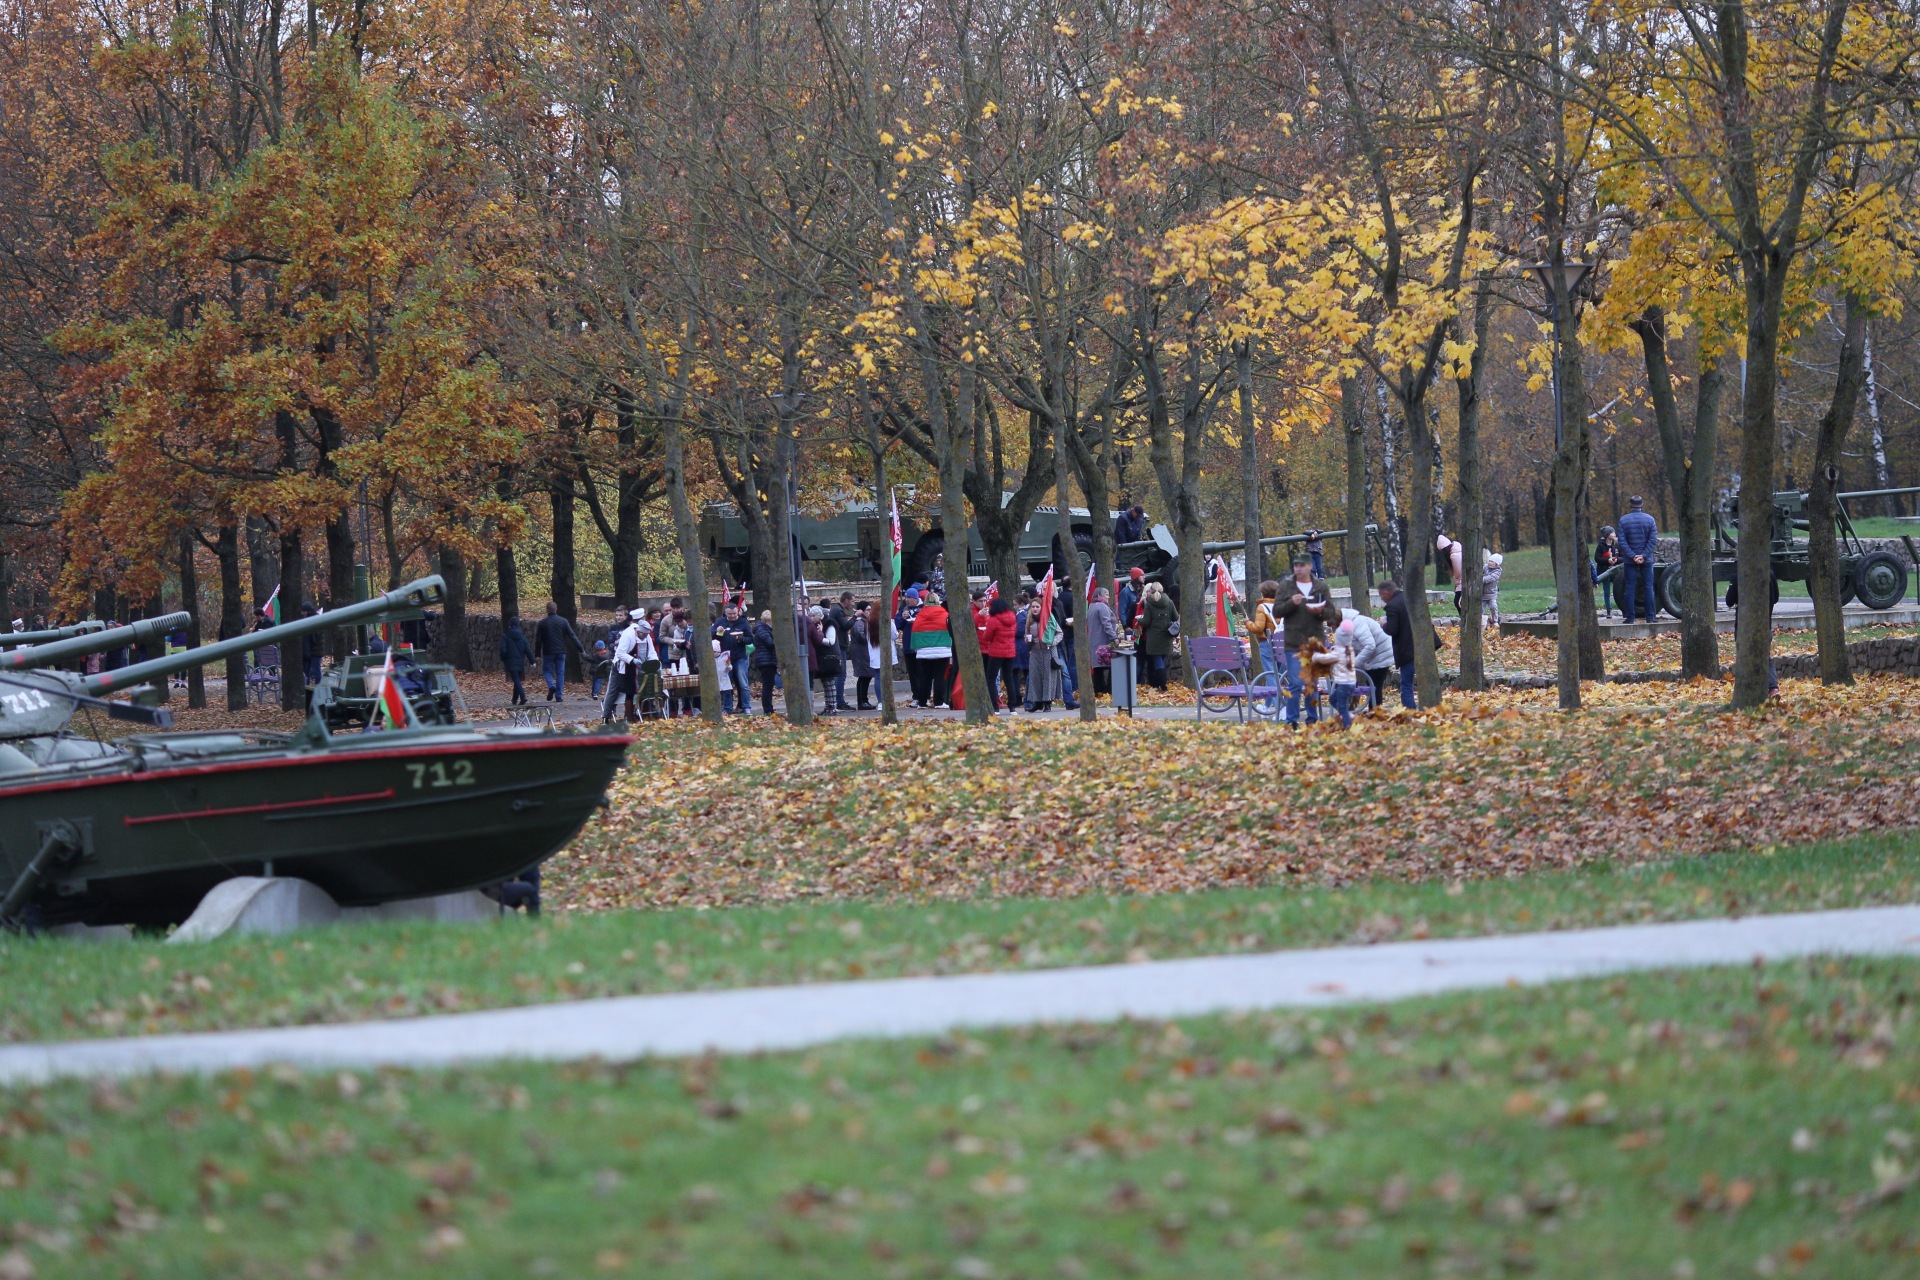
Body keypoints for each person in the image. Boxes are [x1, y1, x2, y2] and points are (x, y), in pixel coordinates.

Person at [1275, 557, 1340, 726]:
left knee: (1312, 683)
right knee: (1296, 683)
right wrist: (1291, 603)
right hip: (1293, 642)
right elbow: (1277, 610)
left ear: (1310, 566)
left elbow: (1330, 611)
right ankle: (1292, 721)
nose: (1298, 569)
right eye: (1296, 565)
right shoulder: (1286, 585)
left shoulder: (1320, 586)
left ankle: (1312, 719)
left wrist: (1320, 612)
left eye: (1302, 565)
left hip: (1314, 643)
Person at [1311, 619, 1361, 727]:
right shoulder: (1349, 649)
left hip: (1344, 684)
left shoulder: (1339, 651)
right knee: (1333, 699)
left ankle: (1347, 725)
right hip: (1351, 683)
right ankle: (1347, 714)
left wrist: (1315, 656)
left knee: (1342, 705)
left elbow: (1327, 658)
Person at [908, 591, 953, 707]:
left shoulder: (921, 614)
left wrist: (916, 648)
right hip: (942, 649)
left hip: (924, 650)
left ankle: (922, 702)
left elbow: (915, 631)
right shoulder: (944, 613)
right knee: (939, 676)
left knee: (925, 677)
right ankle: (939, 702)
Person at [1617, 496, 1658, 622]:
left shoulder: (1623, 521)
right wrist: (1643, 555)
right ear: (1642, 505)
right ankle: (1650, 617)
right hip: (1647, 559)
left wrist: (1633, 555)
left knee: (1629, 588)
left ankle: (1630, 617)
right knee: (1648, 587)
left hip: (1630, 560)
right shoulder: (1650, 520)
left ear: (1630, 505)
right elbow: (1652, 540)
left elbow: (1622, 542)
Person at [1378, 579, 1417, 709]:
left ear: (1386, 592)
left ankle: (1410, 711)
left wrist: (1384, 624)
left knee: (1406, 684)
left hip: (1407, 649)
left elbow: (1392, 629)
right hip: (1419, 646)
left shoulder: (1392, 605)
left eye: (1381, 595)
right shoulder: (1407, 597)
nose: (1381, 598)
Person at [1024, 590, 1064, 711]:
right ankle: (1037, 702)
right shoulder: (1029, 620)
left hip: (1048, 651)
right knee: (1035, 677)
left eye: (1037, 607)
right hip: (1035, 651)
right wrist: (1027, 640)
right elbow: (1026, 633)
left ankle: (1047, 702)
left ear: (1041, 608)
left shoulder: (1048, 618)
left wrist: (1053, 642)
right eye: (1033, 607)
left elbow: (1059, 633)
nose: (1035, 609)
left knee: (1048, 677)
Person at [1346, 608, 1395, 703]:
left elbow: (1370, 646)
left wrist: (1354, 664)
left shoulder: (1357, 624)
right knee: (1373, 687)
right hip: (1376, 656)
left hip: (1381, 655)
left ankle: (1375, 713)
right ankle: (1374, 711)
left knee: (1374, 687)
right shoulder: (1351, 625)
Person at [533, 601, 580, 702]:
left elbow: (538, 641)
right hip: (561, 651)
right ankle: (559, 696)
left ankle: (551, 685)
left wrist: (537, 655)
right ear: (556, 609)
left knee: (547, 671)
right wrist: (580, 648)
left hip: (548, 652)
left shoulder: (542, 623)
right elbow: (572, 636)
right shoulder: (563, 621)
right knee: (560, 673)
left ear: (547, 610)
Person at [713, 601, 753, 714]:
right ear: (725, 613)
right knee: (726, 683)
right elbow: (712, 637)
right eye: (730, 614)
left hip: (740, 656)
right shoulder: (720, 622)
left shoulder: (743, 622)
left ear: (737, 612)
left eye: (734, 613)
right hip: (725, 657)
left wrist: (741, 639)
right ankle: (727, 708)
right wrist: (717, 632)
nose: (732, 616)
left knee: (743, 683)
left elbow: (750, 639)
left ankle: (746, 707)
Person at [978, 596, 1018, 711]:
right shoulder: (1012, 617)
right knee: (1008, 678)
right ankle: (1012, 707)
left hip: (996, 652)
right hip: (1010, 651)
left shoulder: (993, 620)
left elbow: (987, 636)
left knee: (991, 678)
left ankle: (995, 707)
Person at [1135, 581, 1175, 690]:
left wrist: (1140, 621)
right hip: (1166, 636)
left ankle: (1161, 684)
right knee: (1162, 660)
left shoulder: (1149, 603)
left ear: (1151, 591)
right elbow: (1175, 617)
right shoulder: (1169, 602)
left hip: (1154, 637)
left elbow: (1147, 621)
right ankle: (1161, 683)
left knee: (1158, 662)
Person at [807, 604, 843, 714]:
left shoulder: (829, 624)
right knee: (826, 682)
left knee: (829, 682)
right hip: (821, 657)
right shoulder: (814, 625)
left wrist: (819, 637)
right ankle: (828, 706)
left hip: (829, 657)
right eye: (810, 615)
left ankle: (831, 707)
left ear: (819, 616)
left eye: (813, 615)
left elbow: (830, 641)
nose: (811, 618)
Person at [1244, 580, 1282, 677]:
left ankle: (1274, 691)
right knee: (1279, 673)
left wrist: (1247, 623)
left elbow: (1258, 628)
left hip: (1267, 642)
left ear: (1263, 593)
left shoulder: (1262, 607)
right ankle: (1279, 690)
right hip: (1282, 642)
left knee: (1270, 672)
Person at [601, 607, 632, 722]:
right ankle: (606, 714)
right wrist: (616, 643)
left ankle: (629, 714)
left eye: (621, 615)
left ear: (626, 616)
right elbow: (610, 644)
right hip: (617, 660)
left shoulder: (630, 628)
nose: (618, 617)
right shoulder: (613, 628)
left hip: (629, 661)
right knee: (613, 689)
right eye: (617, 615)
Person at [1087, 587, 1118, 697]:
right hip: (1103, 642)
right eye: (1106, 594)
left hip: (1094, 642)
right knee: (1112, 666)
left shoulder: (1091, 606)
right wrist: (1114, 637)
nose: (1108, 597)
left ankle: (1098, 691)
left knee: (1098, 669)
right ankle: (1109, 690)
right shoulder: (1102, 606)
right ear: (1100, 595)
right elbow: (1107, 624)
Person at [750, 610, 780, 715]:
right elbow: (770, 643)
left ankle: (769, 708)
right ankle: (768, 709)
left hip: (767, 660)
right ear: (768, 620)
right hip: (766, 661)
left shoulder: (763, 629)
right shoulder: (762, 630)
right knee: (768, 686)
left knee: (769, 685)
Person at [829, 591, 855, 713]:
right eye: (852, 601)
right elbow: (846, 626)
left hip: (839, 644)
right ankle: (839, 701)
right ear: (846, 600)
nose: (853, 604)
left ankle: (838, 700)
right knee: (841, 674)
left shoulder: (836, 610)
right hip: (839, 645)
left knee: (840, 675)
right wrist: (855, 617)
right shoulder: (839, 611)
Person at [498, 615, 533, 705]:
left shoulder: (505, 636)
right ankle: (514, 699)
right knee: (517, 680)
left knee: (516, 680)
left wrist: (503, 658)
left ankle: (523, 696)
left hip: (510, 660)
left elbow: (503, 650)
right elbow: (527, 650)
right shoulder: (522, 637)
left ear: (510, 625)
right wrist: (532, 661)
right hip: (520, 661)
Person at [850, 602, 879, 710]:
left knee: (866, 677)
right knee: (864, 677)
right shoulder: (859, 623)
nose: (870, 612)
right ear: (861, 611)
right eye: (868, 610)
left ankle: (864, 700)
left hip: (864, 653)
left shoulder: (865, 622)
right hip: (861, 655)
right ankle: (862, 701)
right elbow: (862, 637)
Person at [1594, 526, 1623, 618]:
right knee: (1607, 591)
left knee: (1619, 589)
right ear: (1607, 535)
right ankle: (1608, 610)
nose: (1614, 534)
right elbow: (1597, 558)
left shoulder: (1617, 544)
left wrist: (1616, 560)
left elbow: (1623, 557)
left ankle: (1623, 607)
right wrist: (1607, 560)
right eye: (1612, 532)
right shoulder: (1601, 545)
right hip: (1604, 571)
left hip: (1615, 571)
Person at [1012, 589, 1032, 710]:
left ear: (1020, 604)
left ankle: (1017, 697)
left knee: (1016, 672)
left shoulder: (1021, 615)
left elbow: (1019, 631)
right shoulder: (1024, 614)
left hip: (1019, 647)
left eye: (1015, 604)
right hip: (1022, 647)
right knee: (1025, 672)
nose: (1014, 607)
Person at [1436, 534, 1465, 612]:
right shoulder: (1458, 550)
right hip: (1462, 582)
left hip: (1462, 583)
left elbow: (1458, 573)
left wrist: (1456, 582)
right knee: (1459, 603)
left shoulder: (1454, 556)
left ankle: (1464, 621)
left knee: (1457, 602)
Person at [1117, 566, 1145, 632]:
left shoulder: (1144, 590)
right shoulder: (1125, 592)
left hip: (1142, 626)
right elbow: (1122, 611)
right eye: (1142, 575)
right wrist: (1125, 626)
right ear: (1136, 577)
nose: (1144, 577)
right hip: (1131, 627)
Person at [1482, 551, 1505, 626]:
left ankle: (1495, 621)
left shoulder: (1497, 571)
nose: (1490, 563)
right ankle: (1480, 621)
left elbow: (1490, 578)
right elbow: (1480, 572)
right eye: (1489, 561)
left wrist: (1480, 579)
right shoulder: (1485, 567)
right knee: (1480, 609)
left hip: (1491, 593)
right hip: (1482, 593)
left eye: (1492, 562)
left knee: (1493, 606)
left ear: (1497, 564)